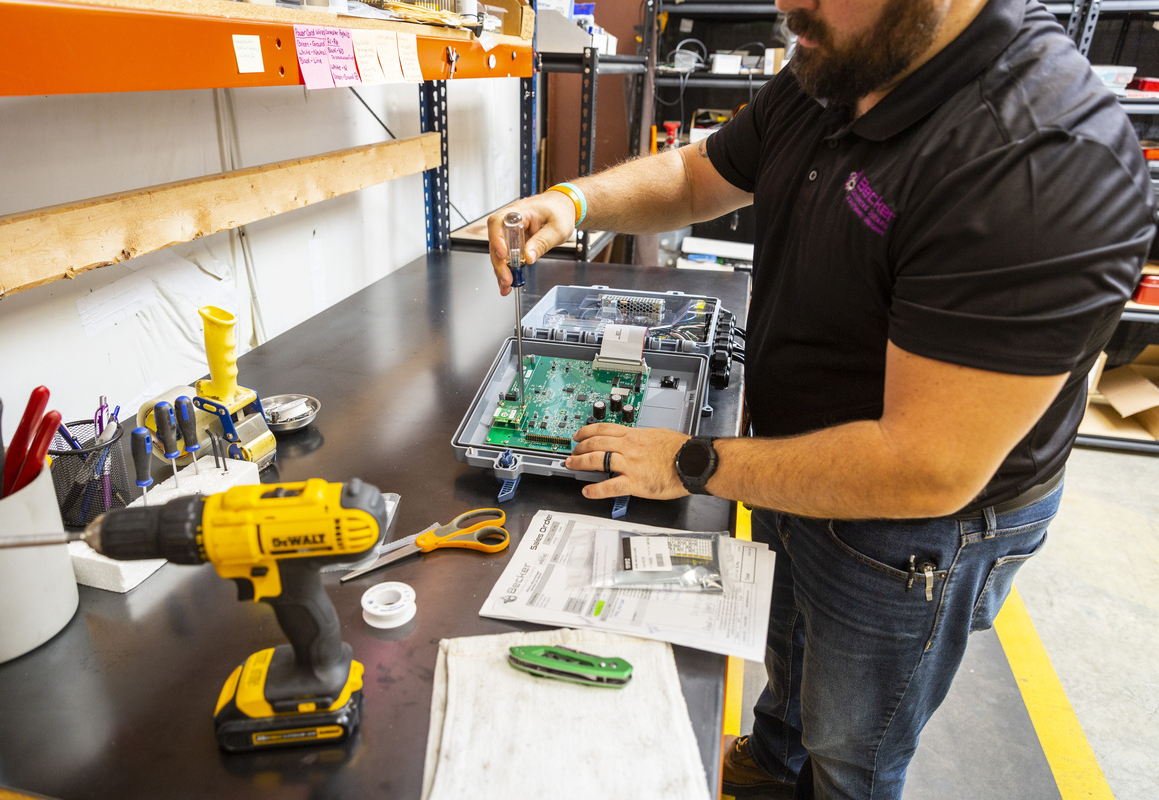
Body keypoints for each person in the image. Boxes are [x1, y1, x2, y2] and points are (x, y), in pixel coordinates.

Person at [487, 0, 1155, 796]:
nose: (784, 4)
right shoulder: (842, 51)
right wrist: (573, 202)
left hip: (913, 531)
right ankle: (773, 764)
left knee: (853, 743)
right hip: (788, 459)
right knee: (792, 653)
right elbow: (700, 174)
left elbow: (923, 470)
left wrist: (693, 462)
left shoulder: (1041, 160)